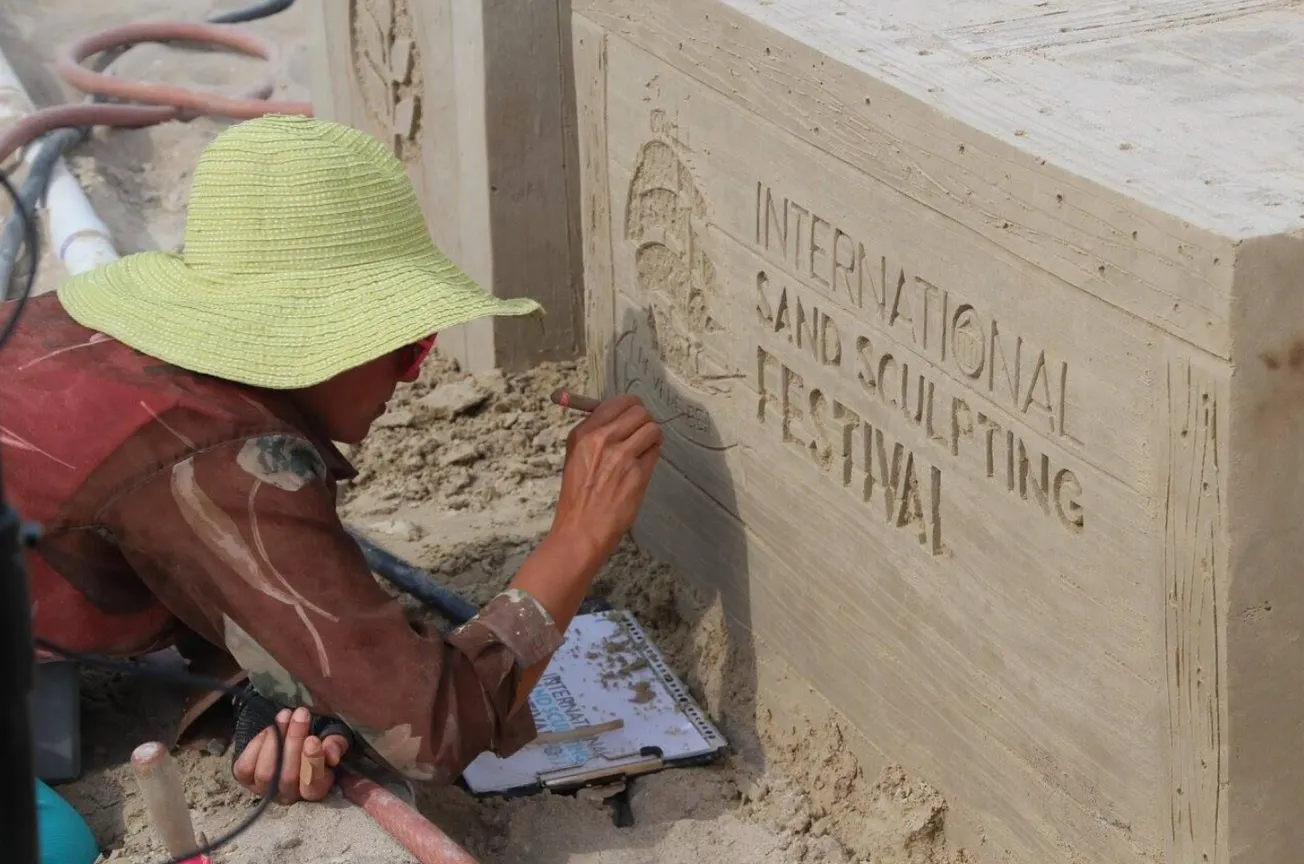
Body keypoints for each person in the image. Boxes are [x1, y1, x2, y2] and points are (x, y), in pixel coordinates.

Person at [7, 114, 663, 805]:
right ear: (319, 341)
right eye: (406, 347)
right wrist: (580, 536)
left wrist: (278, 680)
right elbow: (434, 728)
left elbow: (173, 546)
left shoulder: (84, 329)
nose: (411, 377)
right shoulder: (215, 456)